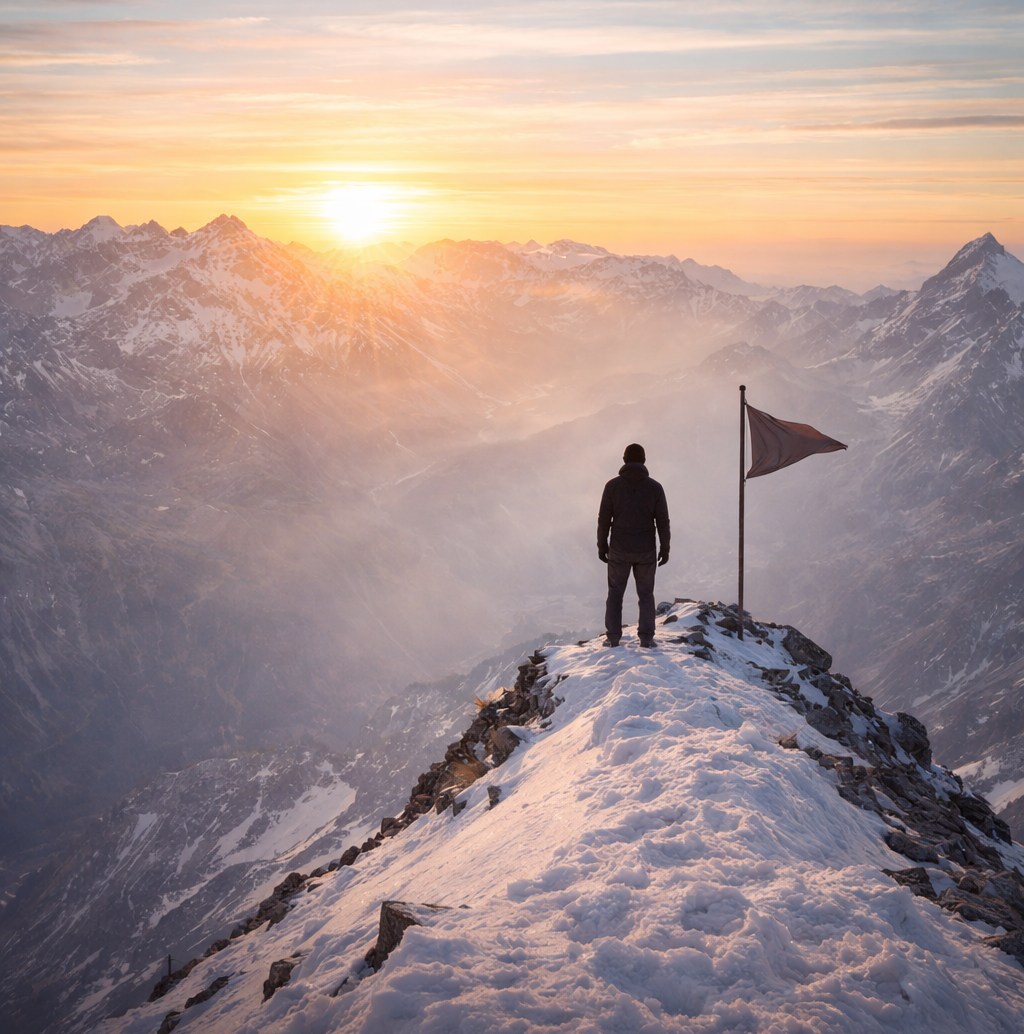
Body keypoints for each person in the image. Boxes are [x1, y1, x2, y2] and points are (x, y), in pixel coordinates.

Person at [597, 443, 670, 648]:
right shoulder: (655, 488)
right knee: (646, 594)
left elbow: (604, 520)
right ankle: (646, 639)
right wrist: (665, 548)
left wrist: (602, 546)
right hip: (646, 551)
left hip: (619, 549)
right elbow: (662, 521)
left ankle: (613, 638)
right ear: (644, 461)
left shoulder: (612, 486)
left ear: (624, 460)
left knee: (615, 593)